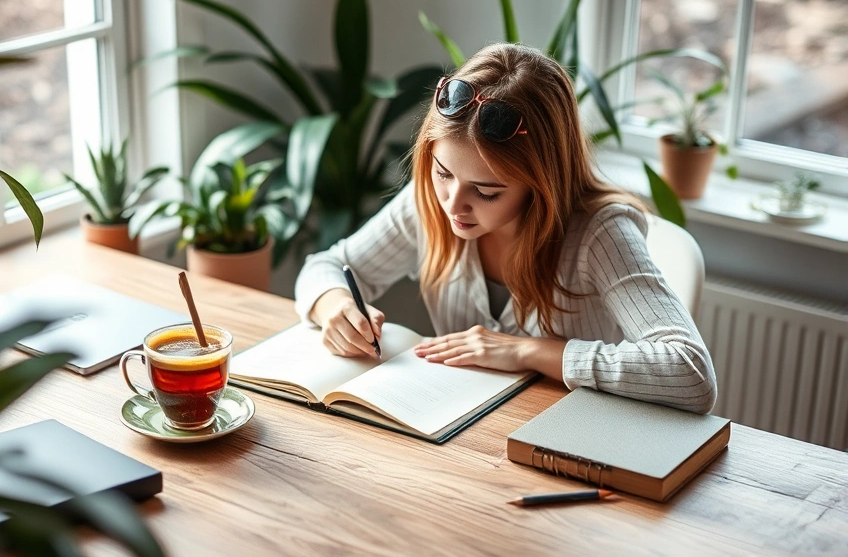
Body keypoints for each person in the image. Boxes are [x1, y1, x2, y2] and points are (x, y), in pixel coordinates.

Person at [293, 43, 717, 415]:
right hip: (457, 432)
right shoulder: (431, 204)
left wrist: (529, 351)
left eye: (487, 192)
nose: (453, 203)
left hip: (561, 444)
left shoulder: (600, 233)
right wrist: (334, 307)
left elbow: (691, 372)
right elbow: (328, 264)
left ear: (540, 184)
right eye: (443, 172)